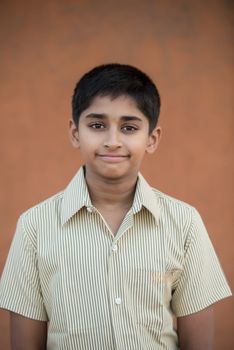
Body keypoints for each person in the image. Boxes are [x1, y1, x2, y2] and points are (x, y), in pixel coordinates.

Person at [0, 63, 232, 350]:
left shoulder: (184, 222)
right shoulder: (35, 226)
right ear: (75, 133)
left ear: (152, 138)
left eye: (129, 127)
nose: (112, 141)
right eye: (97, 125)